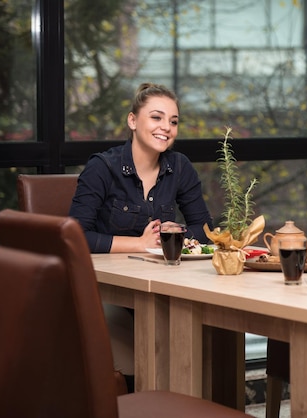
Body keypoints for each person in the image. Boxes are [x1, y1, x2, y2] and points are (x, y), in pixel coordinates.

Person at [70, 82, 213, 391]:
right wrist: (138, 243)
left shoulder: (180, 168)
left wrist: (176, 234)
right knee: (157, 351)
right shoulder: (102, 168)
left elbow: (205, 230)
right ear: (133, 121)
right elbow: (75, 236)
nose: (167, 128)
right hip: (108, 293)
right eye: (157, 118)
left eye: (173, 121)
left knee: (206, 340)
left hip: (164, 290)